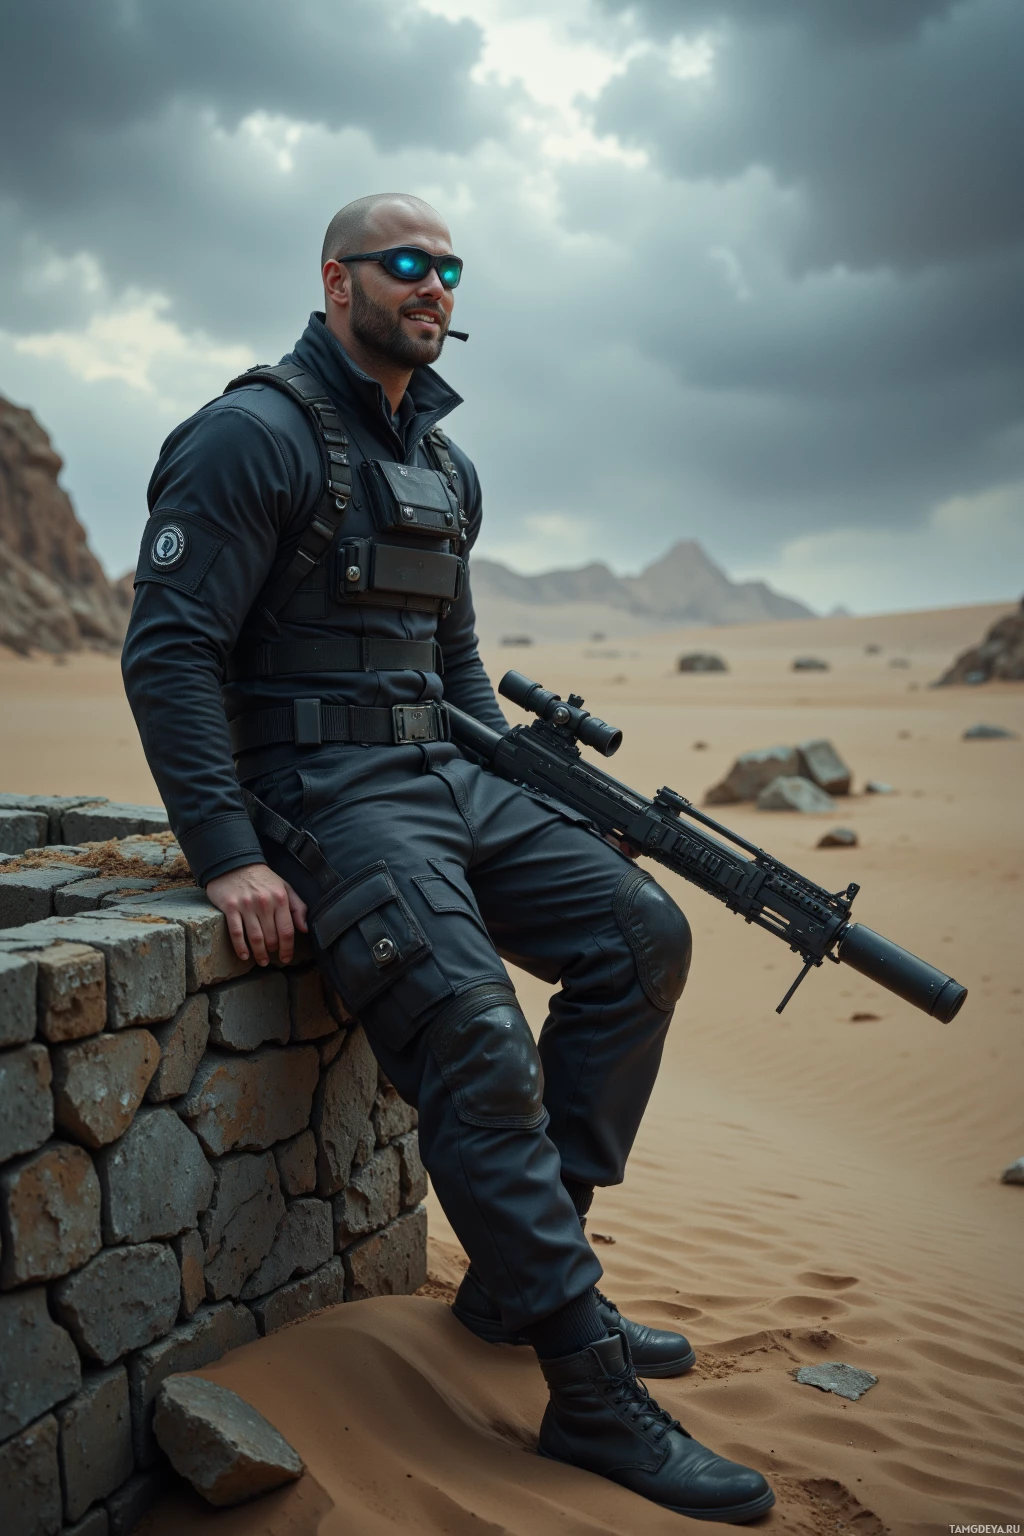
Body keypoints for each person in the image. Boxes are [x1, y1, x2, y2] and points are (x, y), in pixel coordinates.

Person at [121, 193, 775, 1523]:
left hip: (441, 776)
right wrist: (231, 853)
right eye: (406, 263)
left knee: (640, 933)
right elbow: (171, 651)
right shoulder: (251, 435)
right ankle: (587, 1392)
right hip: (320, 799)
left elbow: (453, 666)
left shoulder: (443, 459)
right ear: (335, 278)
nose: (434, 284)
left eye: (449, 267)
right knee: (475, 1033)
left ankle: (525, 1280)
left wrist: (546, 792)